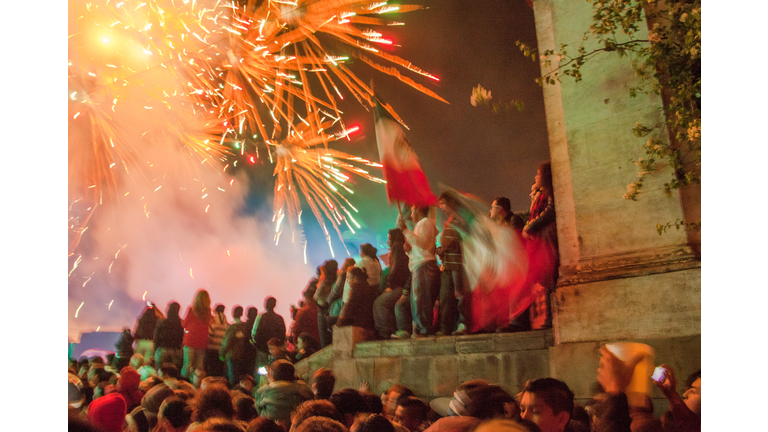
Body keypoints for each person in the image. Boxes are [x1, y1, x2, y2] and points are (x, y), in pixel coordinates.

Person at [500, 162, 558, 333]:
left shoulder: (549, 194)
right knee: (539, 279)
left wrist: (529, 226)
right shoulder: (542, 194)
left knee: (544, 278)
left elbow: (551, 210)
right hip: (540, 239)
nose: (535, 178)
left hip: (546, 239)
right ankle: (526, 320)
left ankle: (545, 318)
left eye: (538, 175)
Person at [397, 205, 440, 338]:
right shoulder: (423, 224)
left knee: (420, 300)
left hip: (423, 266)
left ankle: (423, 329)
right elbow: (421, 248)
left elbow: (423, 243)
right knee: (418, 299)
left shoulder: (425, 223)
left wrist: (405, 230)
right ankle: (421, 328)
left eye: (412, 210)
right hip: (421, 266)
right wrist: (409, 251)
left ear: (420, 210)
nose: (411, 214)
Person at [436, 192, 471, 336]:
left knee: (459, 295)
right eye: (440, 205)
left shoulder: (460, 220)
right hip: (448, 265)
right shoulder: (449, 221)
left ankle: (463, 324)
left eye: (444, 203)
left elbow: (458, 241)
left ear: (452, 202)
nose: (442, 207)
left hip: (457, 264)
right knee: (446, 297)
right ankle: (446, 327)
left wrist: (439, 248)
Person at [374, 228, 412, 340]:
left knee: (379, 303)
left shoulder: (397, 247)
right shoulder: (401, 246)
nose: (387, 241)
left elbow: (396, 268)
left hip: (400, 286)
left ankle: (385, 332)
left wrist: (391, 286)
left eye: (389, 238)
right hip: (404, 285)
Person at [253, 360, 314, 426]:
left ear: (271, 374)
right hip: (304, 426)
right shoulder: (303, 388)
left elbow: (258, 410)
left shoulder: (263, 392)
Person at [251, 296, 287, 381]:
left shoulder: (261, 316)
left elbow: (254, 334)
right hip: (276, 351)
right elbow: (283, 334)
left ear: (265, 305)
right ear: (274, 305)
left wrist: (257, 345)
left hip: (262, 350)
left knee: (261, 374)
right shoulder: (279, 318)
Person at [182, 289, 212, 379]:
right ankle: (197, 384)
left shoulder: (191, 310)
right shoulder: (208, 312)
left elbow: (184, 324)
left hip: (190, 341)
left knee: (187, 365)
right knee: (199, 367)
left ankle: (184, 384)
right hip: (202, 342)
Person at [337, 267, 377, 331]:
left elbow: (348, 310)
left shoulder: (355, 289)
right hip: (367, 322)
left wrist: (338, 322)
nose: (347, 281)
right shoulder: (366, 286)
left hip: (358, 322)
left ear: (355, 278)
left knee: (330, 320)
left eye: (348, 278)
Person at [220, 306, 251, 386]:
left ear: (233, 314)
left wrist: (221, 353)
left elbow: (226, 342)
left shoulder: (232, 328)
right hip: (242, 354)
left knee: (231, 376)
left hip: (231, 355)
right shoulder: (246, 326)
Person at [313, 260, 339, 348]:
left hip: (322, 310)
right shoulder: (337, 279)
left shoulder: (324, 282)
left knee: (324, 338)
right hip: (332, 310)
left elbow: (316, 297)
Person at [154, 302, 184, 370]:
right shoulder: (181, 323)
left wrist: (156, 348)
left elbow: (156, 336)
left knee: (159, 372)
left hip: (163, 349)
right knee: (173, 372)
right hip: (175, 350)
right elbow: (182, 336)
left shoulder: (162, 322)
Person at [206, 304, 229, 378]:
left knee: (211, 368)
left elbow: (210, 333)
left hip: (212, 347)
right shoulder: (226, 321)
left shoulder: (213, 319)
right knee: (219, 369)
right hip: (220, 349)